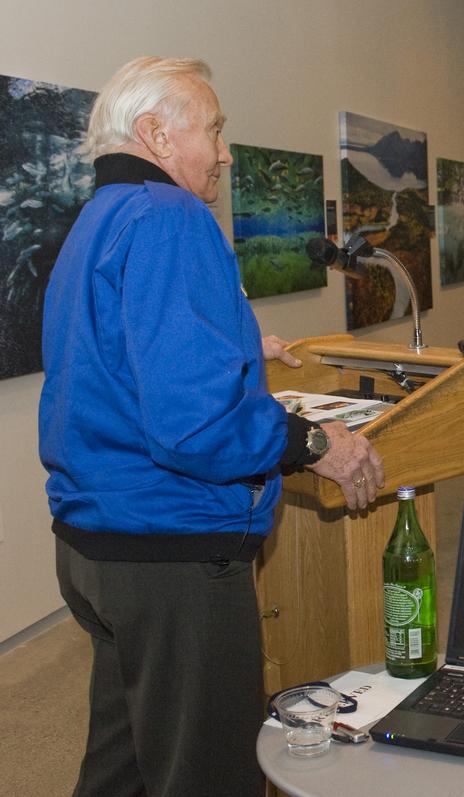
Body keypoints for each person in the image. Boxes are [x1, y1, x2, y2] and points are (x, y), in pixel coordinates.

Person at [40, 57, 385, 796]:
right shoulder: (172, 218)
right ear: (157, 134)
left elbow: (112, 357)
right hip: (173, 560)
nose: (225, 152)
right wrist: (312, 444)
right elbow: (193, 426)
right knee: (208, 774)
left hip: (97, 548)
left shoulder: (98, 220)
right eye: (216, 129)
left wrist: (233, 346)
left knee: (125, 766)